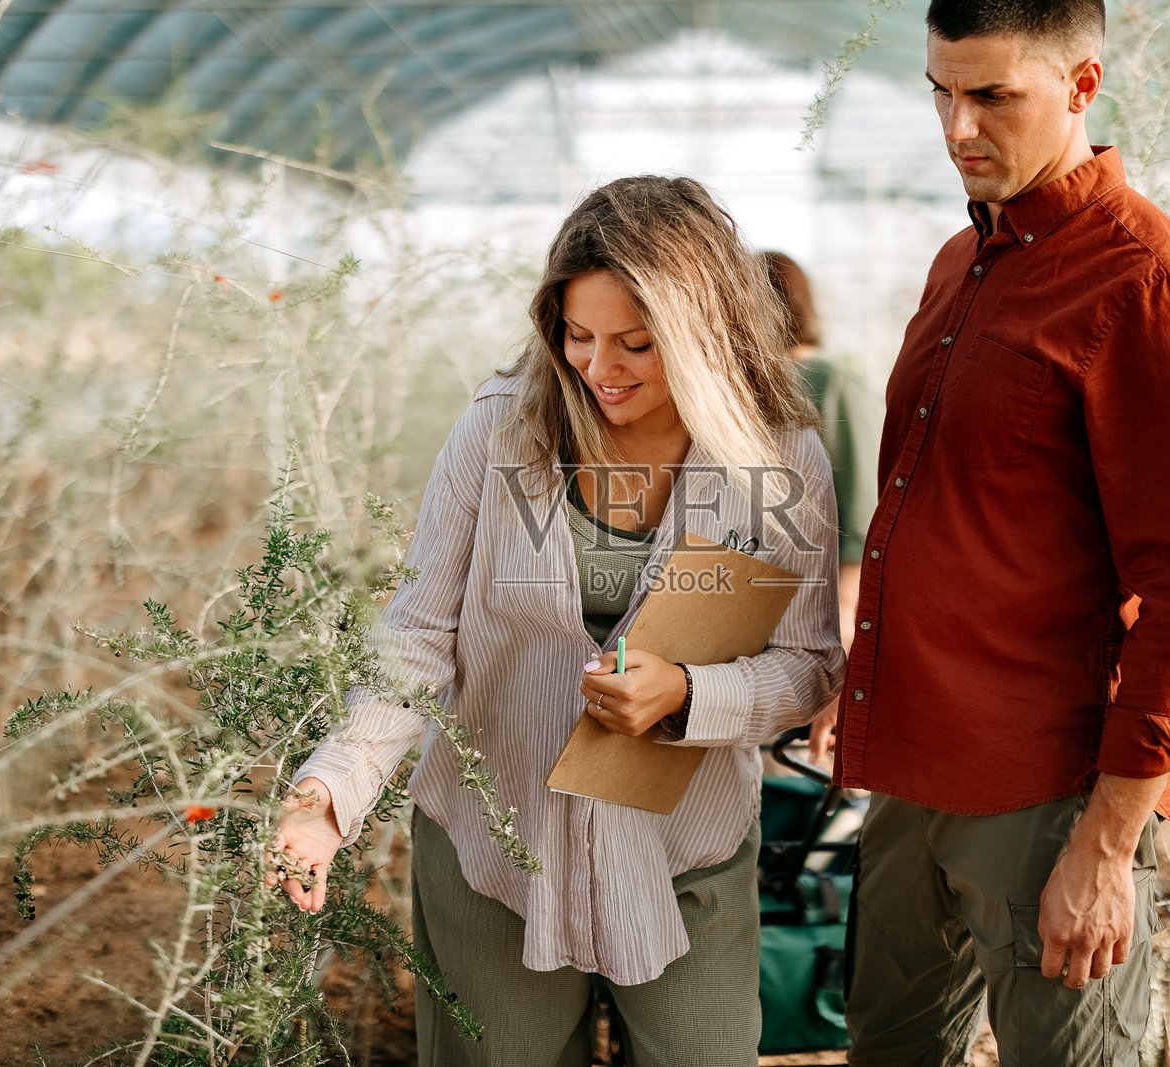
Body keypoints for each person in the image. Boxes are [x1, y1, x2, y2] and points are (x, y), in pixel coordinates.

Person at [267, 175, 844, 1067]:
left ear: (706, 332)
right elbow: (419, 634)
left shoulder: (780, 456)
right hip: (496, 848)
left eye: (638, 343)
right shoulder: (502, 431)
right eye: (577, 336)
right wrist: (326, 795)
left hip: (684, 844)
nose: (599, 369)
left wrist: (691, 694)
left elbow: (808, 663)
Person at [832, 1, 1170, 1062]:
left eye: (990, 96)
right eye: (939, 89)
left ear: (1080, 86)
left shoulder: (1151, 287)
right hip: (910, 778)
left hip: (1045, 802)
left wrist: (1106, 848)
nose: (956, 126)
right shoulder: (957, 263)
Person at [762, 251, 878, 762]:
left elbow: (857, 514)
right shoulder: (824, 382)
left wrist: (846, 637)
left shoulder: (824, 383)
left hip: (817, 622)